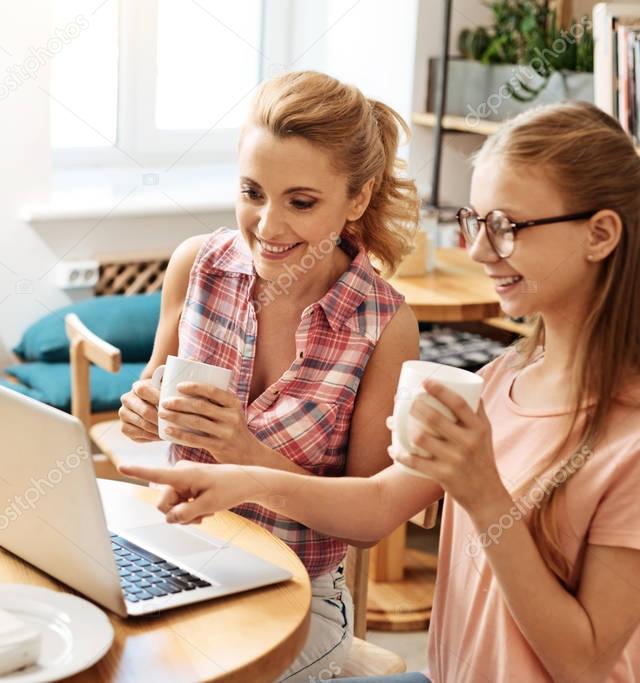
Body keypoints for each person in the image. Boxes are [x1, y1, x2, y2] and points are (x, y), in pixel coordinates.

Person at [122, 101, 640, 682]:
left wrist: (483, 494)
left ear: (600, 234)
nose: (479, 251)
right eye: (475, 222)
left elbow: (584, 663)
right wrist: (237, 478)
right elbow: (379, 503)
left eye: (506, 227)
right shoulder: (499, 380)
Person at [117, 70, 420, 682]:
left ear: (356, 199)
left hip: (298, 594)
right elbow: (148, 399)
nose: (267, 225)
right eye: (252, 191)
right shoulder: (195, 265)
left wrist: (244, 453)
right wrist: (141, 411)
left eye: (301, 202)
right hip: (179, 558)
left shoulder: (383, 325)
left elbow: (365, 519)